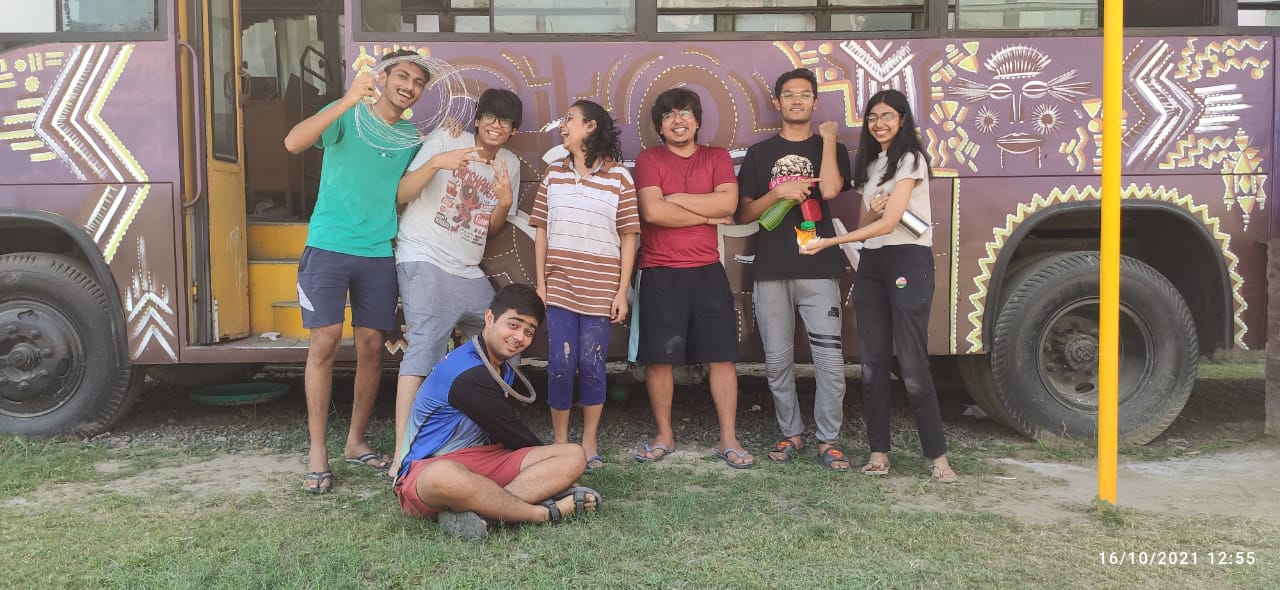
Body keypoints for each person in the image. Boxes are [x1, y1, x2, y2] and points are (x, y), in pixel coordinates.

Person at [283, 49, 427, 494]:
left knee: (372, 347)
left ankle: (355, 442)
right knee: (324, 344)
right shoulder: (348, 113)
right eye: (402, 76)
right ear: (383, 77)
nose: (408, 86)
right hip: (328, 246)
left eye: (418, 82)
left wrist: (440, 155)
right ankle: (317, 452)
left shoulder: (411, 137)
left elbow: (401, 191)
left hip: (378, 252)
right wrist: (346, 100)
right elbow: (293, 143)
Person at [800, 88, 958, 483]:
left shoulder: (910, 159)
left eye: (887, 116)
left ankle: (938, 458)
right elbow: (867, 225)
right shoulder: (871, 164)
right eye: (872, 117)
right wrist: (868, 214)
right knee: (871, 364)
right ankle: (878, 454)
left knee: (912, 363)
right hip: (873, 263)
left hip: (908, 259)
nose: (879, 123)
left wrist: (829, 242)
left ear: (902, 119)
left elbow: (890, 225)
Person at [394, 283, 601, 540]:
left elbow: (507, 439)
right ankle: (542, 513)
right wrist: (554, 481)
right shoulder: (468, 373)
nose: (519, 337)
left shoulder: (500, 367)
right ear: (490, 318)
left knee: (573, 455)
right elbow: (512, 432)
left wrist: (557, 471)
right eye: (513, 325)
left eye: (528, 331)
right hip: (426, 470)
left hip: (483, 460)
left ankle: (483, 512)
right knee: (444, 475)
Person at [389, 89, 523, 477]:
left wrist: (503, 202)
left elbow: (491, 228)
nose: (496, 125)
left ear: (513, 131)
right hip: (424, 256)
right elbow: (401, 193)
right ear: (477, 120)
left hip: (467, 268)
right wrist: (437, 162)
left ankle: (481, 440)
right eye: (490, 117)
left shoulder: (510, 163)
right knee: (424, 349)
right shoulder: (447, 139)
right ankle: (402, 456)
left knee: (503, 341)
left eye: (506, 121)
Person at [736, 68, 853, 471]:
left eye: (805, 94)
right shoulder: (760, 154)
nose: (797, 101)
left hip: (820, 265)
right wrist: (778, 193)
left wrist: (830, 139)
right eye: (789, 94)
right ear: (777, 102)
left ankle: (828, 440)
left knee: (830, 362)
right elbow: (744, 213)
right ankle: (791, 434)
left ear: (815, 102)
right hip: (771, 269)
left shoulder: (831, 147)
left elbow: (832, 190)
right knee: (777, 362)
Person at [631, 87, 753, 469]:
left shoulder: (716, 157)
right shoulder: (648, 160)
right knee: (659, 360)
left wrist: (676, 198)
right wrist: (707, 212)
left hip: (706, 270)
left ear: (697, 121)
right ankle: (664, 435)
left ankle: (728, 438)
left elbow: (728, 204)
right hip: (659, 270)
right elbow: (653, 213)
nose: (678, 120)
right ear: (660, 127)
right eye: (669, 115)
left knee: (722, 358)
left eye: (685, 113)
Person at [531, 100, 640, 473]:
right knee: (560, 364)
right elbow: (541, 231)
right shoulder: (553, 175)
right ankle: (561, 443)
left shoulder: (620, 178)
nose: (562, 126)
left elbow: (628, 236)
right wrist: (541, 284)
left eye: (569, 119)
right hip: (559, 288)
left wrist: (621, 291)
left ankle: (589, 441)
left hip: (601, 289)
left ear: (591, 126)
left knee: (592, 364)